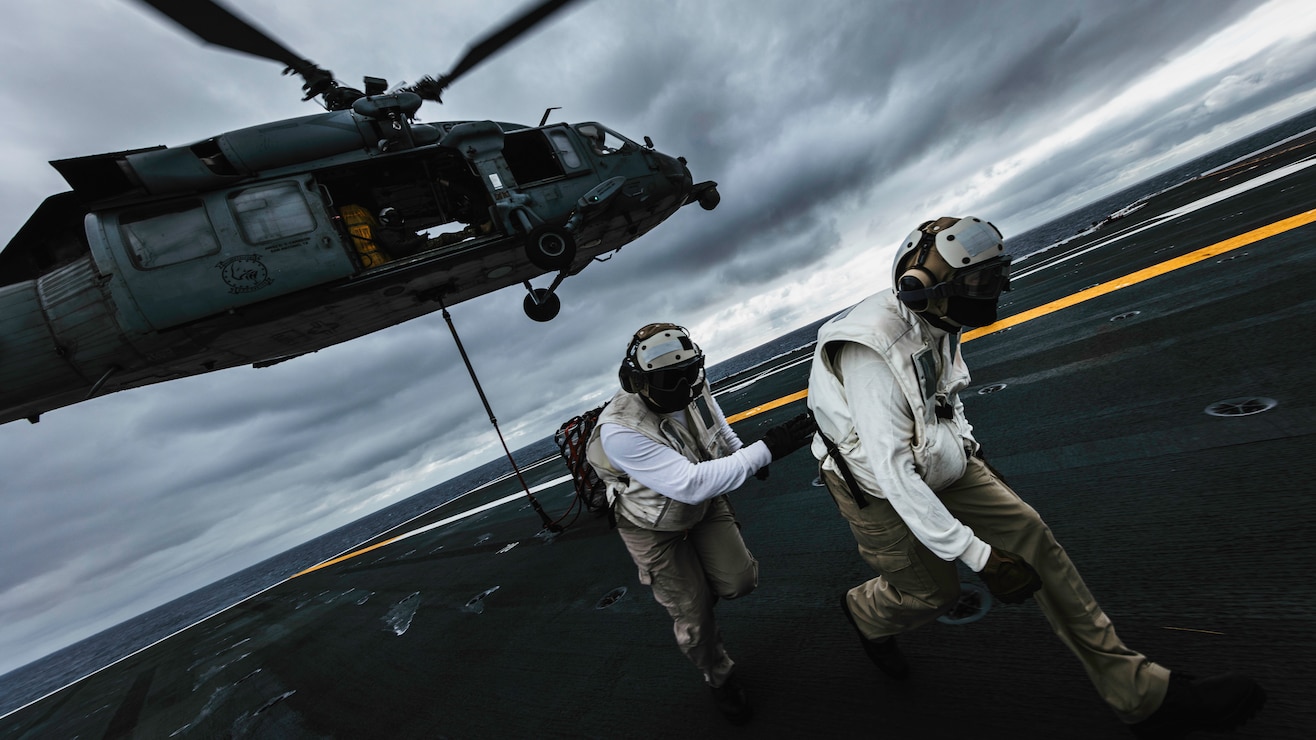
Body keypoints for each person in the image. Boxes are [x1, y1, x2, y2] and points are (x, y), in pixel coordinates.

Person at [806, 216, 1265, 738]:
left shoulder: (937, 321)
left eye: (992, 278)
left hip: (938, 458)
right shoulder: (872, 347)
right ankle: (865, 612)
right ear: (925, 288)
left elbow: (939, 400)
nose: (989, 292)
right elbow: (892, 470)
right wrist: (979, 555)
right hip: (876, 486)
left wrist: (972, 451)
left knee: (1032, 534)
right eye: (976, 283)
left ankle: (1140, 692)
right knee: (932, 593)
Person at [586, 323, 815, 724]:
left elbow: (716, 427)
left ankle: (696, 584)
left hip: (703, 505)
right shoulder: (620, 431)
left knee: (740, 581)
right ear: (637, 381)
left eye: (689, 375)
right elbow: (689, 485)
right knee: (695, 618)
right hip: (651, 525)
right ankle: (719, 677)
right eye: (668, 380)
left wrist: (740, 452)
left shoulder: (691, 383)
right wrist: (765, 451)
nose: (683, 388)